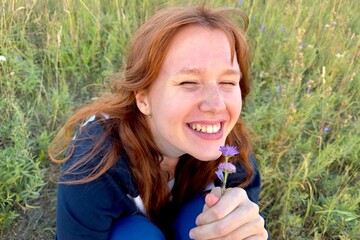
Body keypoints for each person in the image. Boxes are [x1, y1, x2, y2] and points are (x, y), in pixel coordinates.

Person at [49, 4, 269, 240]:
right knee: (133, 234)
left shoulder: (230, 151)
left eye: (227, 82)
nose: (217, 106)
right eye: (188, 82)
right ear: (143, 99)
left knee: (212, 215)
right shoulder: (95, 163)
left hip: (186, 225)